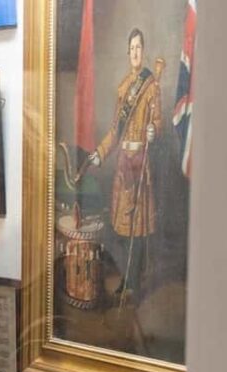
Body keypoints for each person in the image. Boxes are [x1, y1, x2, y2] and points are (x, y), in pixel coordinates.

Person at [89, 28, 162, 299]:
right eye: (131, 47)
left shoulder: (152, 85)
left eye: (139, 47)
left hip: (141, 159)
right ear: (127, 52)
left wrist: (154, 129)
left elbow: (158, 121)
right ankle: (127, 278)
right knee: (122, 226)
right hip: (123, 163)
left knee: (138, 227)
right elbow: (114, 132)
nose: (135, 52)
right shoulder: (123, 89)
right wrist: (99, 152)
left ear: (144, 51)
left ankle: (135, 283)